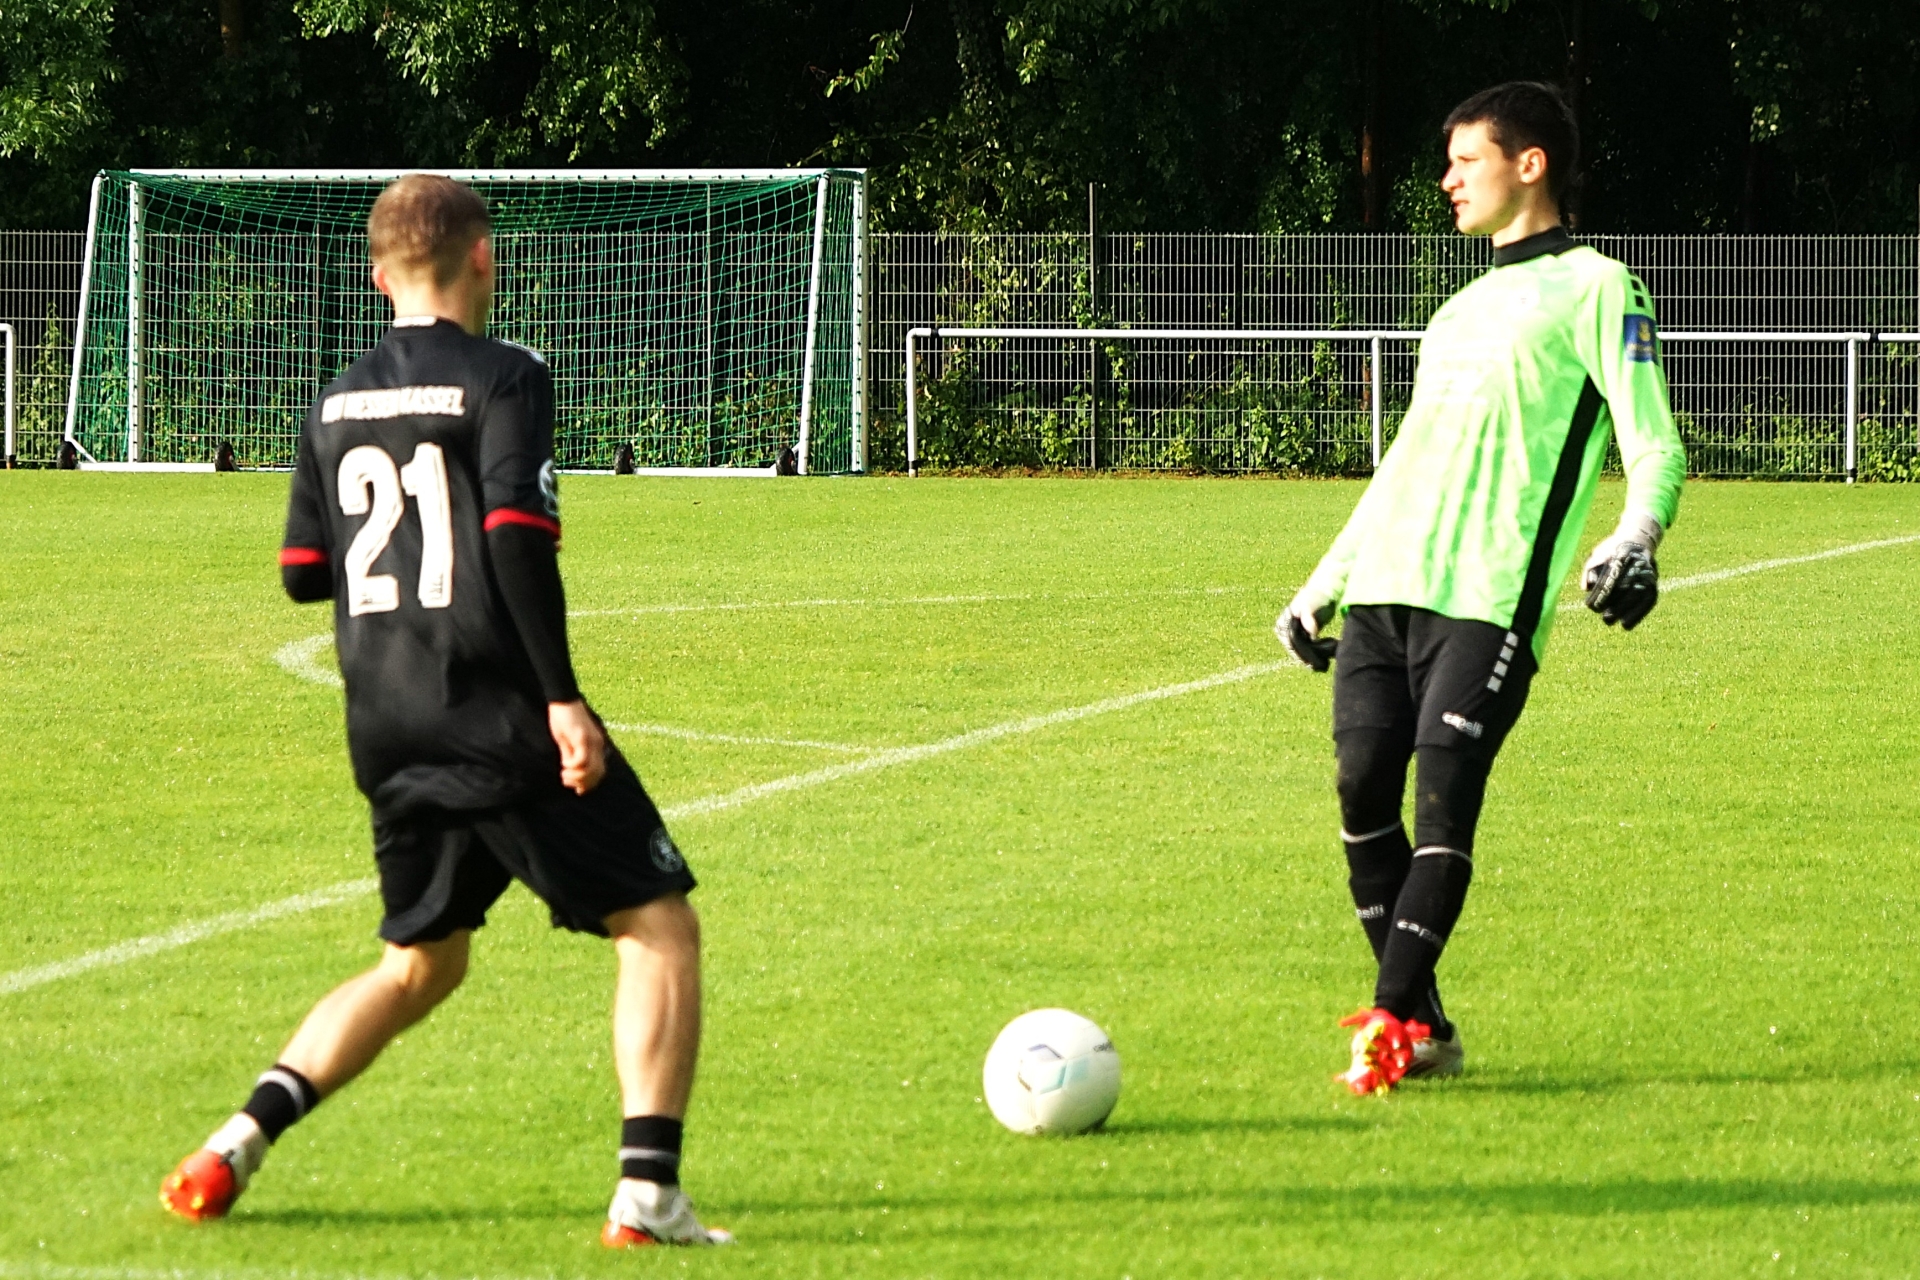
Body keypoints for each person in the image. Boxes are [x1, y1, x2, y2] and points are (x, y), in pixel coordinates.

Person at [160, 175, 730, 1246]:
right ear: (484, 258)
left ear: (378, 277)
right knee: (659, 925)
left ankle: (232, 1144)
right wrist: (561, 698)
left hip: (387, 721)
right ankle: (649, 1198)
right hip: (495, 712)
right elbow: (516, 533)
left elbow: (300, 572)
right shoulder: (506, 374)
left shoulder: (335, 400)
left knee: (422, 963)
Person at [1276, 82, 1686, 1095]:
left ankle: (1387, 1028)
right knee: (1360, 793)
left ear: (1529, 163)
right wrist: (1321, 586)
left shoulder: (1601, 288)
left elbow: (1653, 441)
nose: (1447, 180)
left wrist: (1635, 535)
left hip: (1489, 598)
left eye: (1466, 160)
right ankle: (1427, 1025)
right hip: (1387, 589)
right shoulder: (1454, 314)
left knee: (1444, 802)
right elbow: (1404, 468)